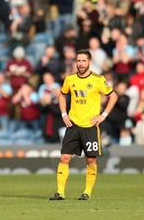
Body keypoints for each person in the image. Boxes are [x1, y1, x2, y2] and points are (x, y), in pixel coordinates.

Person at [49, 49, 117, 201]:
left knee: (90, 160)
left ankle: (87, 193)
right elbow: (62, 95)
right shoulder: (70, 79)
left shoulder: (98, 80)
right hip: (73, 124)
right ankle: (60, 192)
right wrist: (64, 114)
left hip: (90, 126)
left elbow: (113, 96)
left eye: (83, 61)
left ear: (89, 62)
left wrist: (103, 115)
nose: (80, 64)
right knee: (64, 157)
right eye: (78, 61)